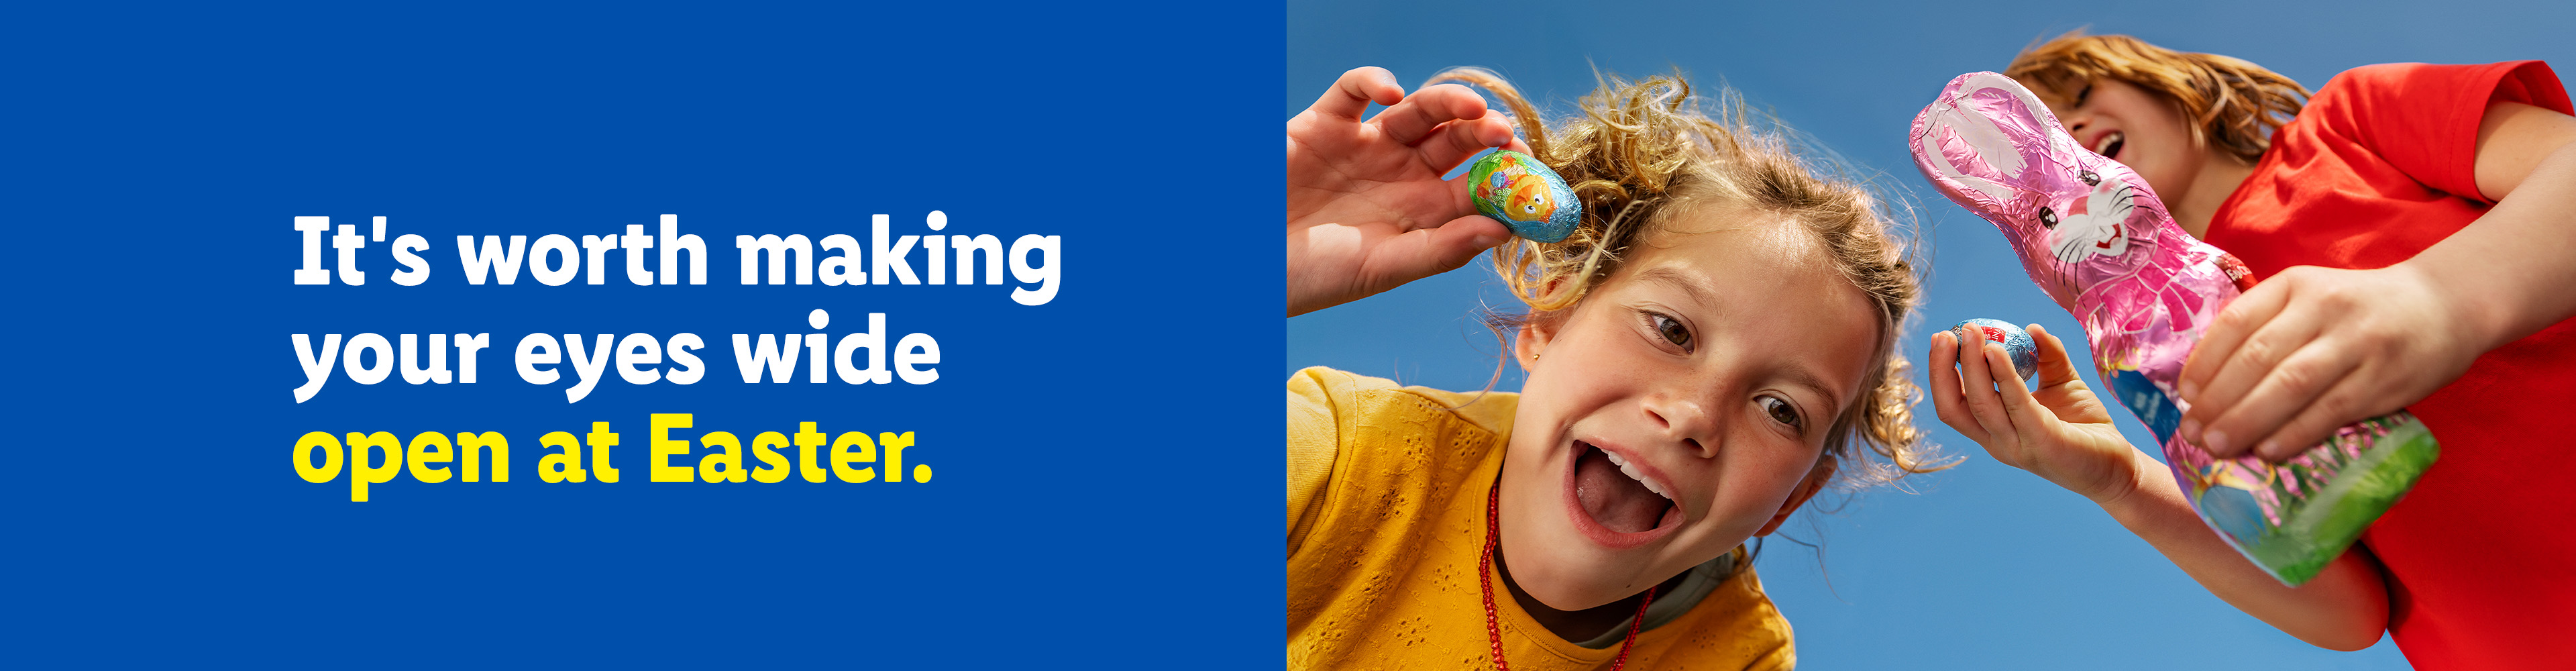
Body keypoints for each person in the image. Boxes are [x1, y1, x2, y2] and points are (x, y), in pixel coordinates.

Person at [1932, 32, 2576, 668]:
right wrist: (2122, 483)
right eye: (2052, 143)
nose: (2070, 128)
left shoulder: (2347, 122)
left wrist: (2439, 297)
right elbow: (2351, 614)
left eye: (2080, 91)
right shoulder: (2155, 347)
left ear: (2162, 78)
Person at [1286, 65, 1948, 670]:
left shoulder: (1738, 656)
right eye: (1672, 330)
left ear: (1793, 499)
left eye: (1781, 409)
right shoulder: (1348, 449)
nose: (1692, 415)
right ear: (1552, 318)